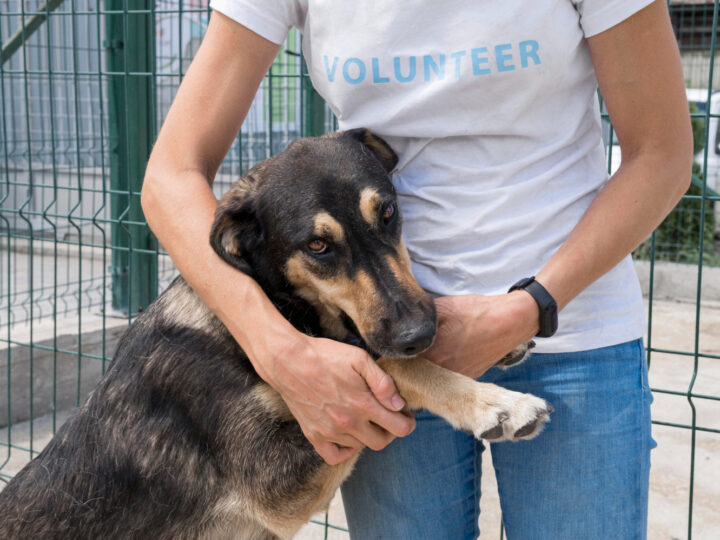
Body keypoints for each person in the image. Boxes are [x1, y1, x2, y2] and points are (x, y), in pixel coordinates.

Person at [141, 1, 692, 538]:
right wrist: (281, 351)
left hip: (571, 332)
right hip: (384, 364)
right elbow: (170, 176)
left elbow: (661, 155)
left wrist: (532, 306)